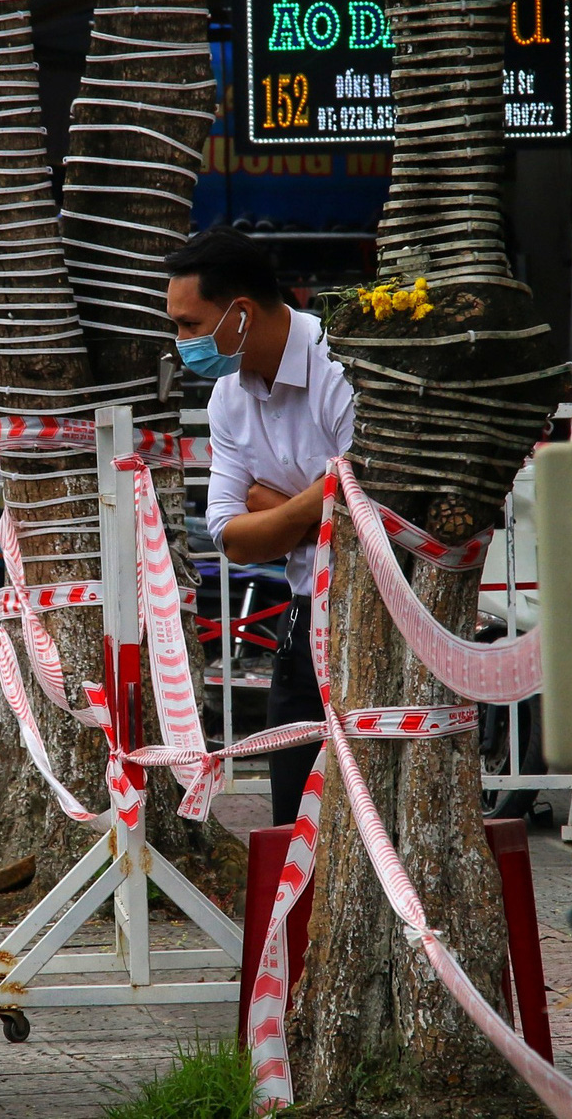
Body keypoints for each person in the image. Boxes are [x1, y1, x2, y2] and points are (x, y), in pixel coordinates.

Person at [165, 228, 353, 826]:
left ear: (240, 314)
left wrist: (271, 504)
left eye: (191, 325)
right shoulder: (228, 396)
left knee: (369, 813)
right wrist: (323, 499)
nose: (182, 343)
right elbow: (229, 534)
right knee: (292, 813)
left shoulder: (340, 367)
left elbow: (368, 505)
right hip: (303, 616)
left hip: (374, 612)